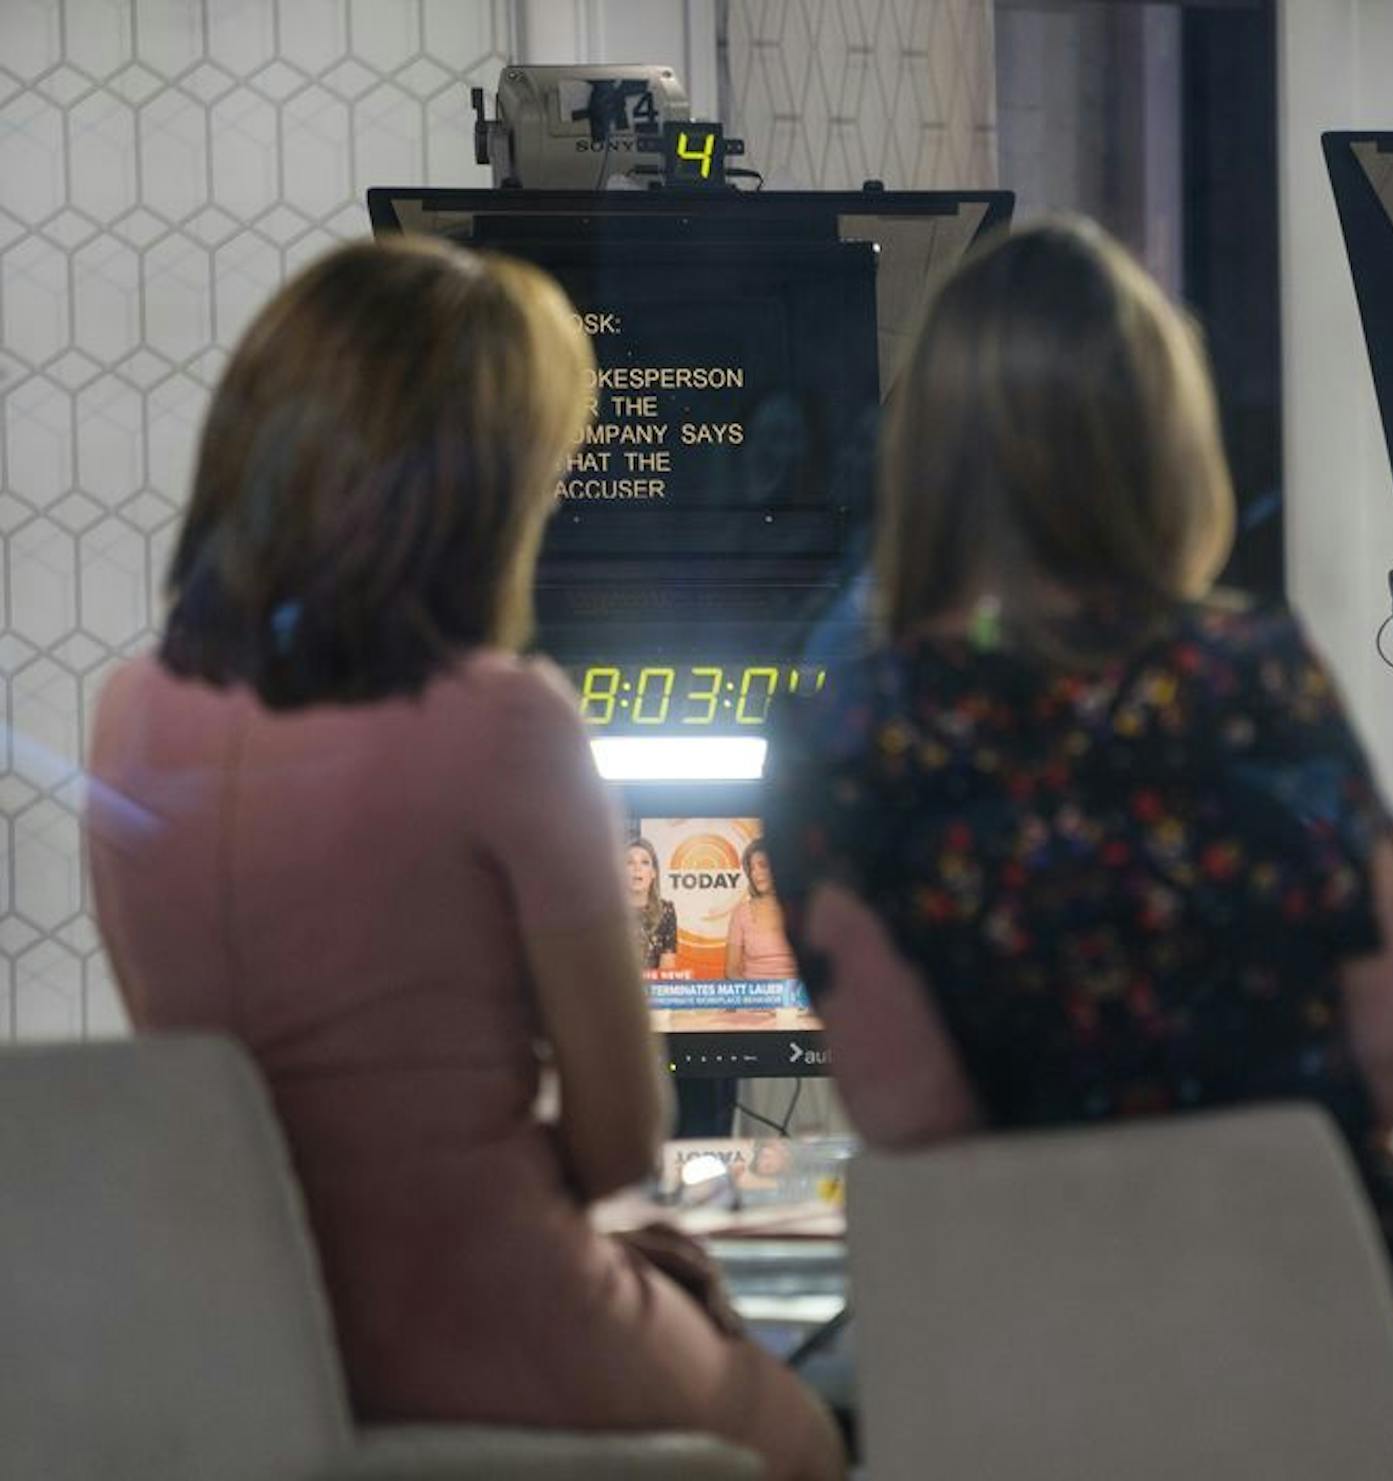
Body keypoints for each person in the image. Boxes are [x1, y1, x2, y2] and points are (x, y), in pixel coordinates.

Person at [761, 219, 1393, 1479]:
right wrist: (1234, 1168)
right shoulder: (1254, 676)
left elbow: (907, 1107)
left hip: (1020, 1381)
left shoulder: (841, 733)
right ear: (1158, 446)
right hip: (1338, 1347)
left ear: (928, 461)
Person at [83, 238, 843, 1479]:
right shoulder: (507, 719)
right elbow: (617, 1136)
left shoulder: (130, 712)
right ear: (474, 496)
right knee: (809, 1433)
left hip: (256, 1333)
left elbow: (214, 1097)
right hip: (493, 1311)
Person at [726, 840, 798, 980]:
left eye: (762, 865)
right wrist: (753, 995)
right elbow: (731, 970)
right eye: (752, 868)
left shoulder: (799, 907)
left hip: (795, 999)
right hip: (755, 998)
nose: (755, 873)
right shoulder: (741, 913)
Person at [629, 836, 679, 970]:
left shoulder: (666, 911)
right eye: (630, 862)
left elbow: (667, 971)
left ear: (653, 873)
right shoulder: (608, 913)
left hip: (654, 990)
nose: (637, 868)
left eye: (644, 862)